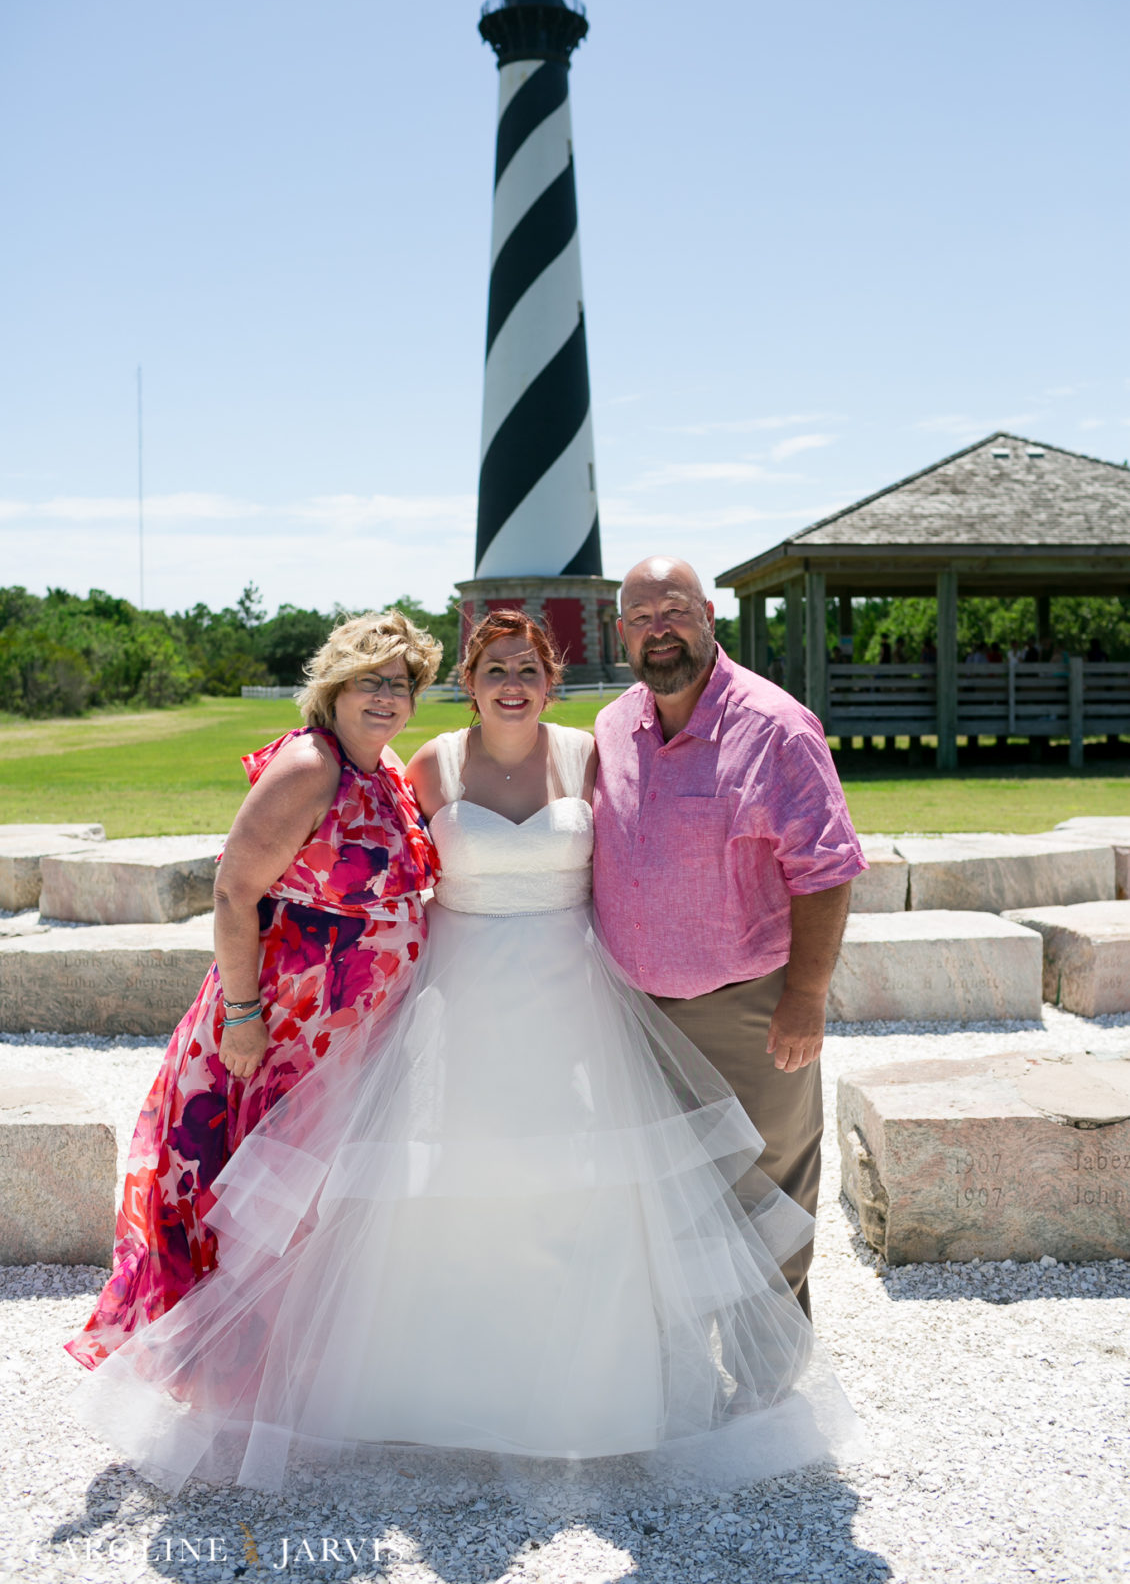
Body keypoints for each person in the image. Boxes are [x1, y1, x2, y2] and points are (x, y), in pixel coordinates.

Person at [70, 609, 858, 1497]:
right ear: (470, 685)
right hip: (458, 995)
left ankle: (591, 1387)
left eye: (528, 668)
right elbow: (348, 868)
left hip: (573, 998)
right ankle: (440, 1376)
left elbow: (651, 844)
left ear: (550, 682)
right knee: (447, 1180)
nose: (512, 683)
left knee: (582, 1184)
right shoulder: (427, 765)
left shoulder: (588, 755)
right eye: (494, 670)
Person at [66, 610, 441, 1369]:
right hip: (279, 1038)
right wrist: (243, 1020)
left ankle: (304, 1372)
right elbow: (235, 893)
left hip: (350, 1043)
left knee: (318, 1209)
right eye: (369, 681)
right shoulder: (311, 765)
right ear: (332, 688)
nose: (386, 697)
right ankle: (235, 1381)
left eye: (400, 683)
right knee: (262, 1211)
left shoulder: (387, 767)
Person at [592, 559, 866, 1317]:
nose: (659, 629)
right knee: (667, 1199)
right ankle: (691, 1385)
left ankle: (771, 1395)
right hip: (638, 1017)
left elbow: (827, 869)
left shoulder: (776, 727)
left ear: (709, 614)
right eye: (642, 616)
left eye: (673, 610)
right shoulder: (614, 727)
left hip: (747, 1009)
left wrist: (805, 998)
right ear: (622, 632)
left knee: (766, 1191)